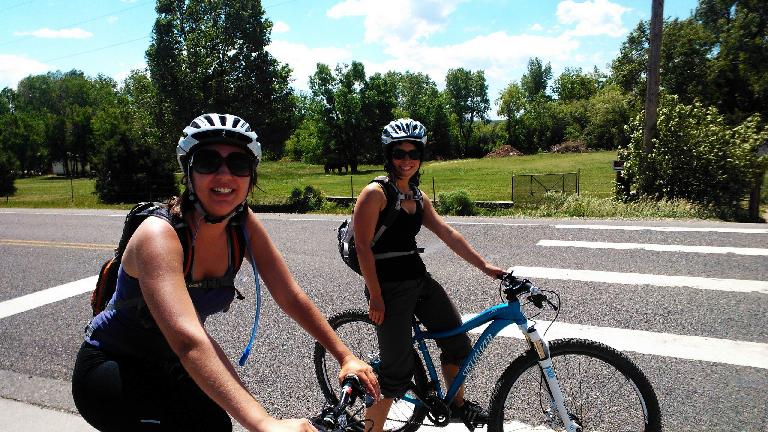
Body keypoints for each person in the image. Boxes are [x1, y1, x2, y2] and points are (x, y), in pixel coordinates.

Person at [72, 113, 379, 431]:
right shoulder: (158, 236)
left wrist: (345, 356)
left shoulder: (241, 224)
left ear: (251, 175)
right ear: (187, 171)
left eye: (238, 164)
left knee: (217, 425)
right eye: (207, 161)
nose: (224, 175)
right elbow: (189, 340)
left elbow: (289, 295)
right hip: (114, 363)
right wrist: (264, 423)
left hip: (172, 363)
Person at [353, 118, 506, 432]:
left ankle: (457, 406)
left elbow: (447, 233)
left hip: (419, 281)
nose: (406, 159)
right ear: (389, 155)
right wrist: (377, 296)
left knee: (458, 345)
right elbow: (362, 248)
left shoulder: (418, 198)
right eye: (399, 153)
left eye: (413, 152)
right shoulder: (375, 194)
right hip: (389, 289)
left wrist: (484, 266)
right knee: (395, 378)